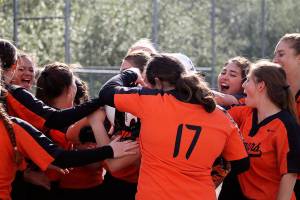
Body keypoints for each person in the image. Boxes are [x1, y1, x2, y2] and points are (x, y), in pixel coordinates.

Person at [98, 54, 249, 199]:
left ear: (157, 82)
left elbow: (106, 91)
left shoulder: (151, 102)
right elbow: (241, 164)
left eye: (146, 83)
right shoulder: (222, 116)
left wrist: (130, 73)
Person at [228, 61, 300, 200]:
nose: (243, 85)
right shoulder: (246, 114)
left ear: (261, 86)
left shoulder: (285, 125)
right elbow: (216, 116)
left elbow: (290, 174)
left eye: (247, 80)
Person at [0, 38, 104, 133]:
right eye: (21, 69)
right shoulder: (13, 93)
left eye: (31, 70)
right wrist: (101, 101)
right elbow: (54, 119)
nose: (28, 73)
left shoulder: (16, 95)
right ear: (14, 66)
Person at [273, 33, 300, 199]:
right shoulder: (274, 95)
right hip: (276, 179)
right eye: (274, 54)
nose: (275, 59)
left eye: (281, 54)